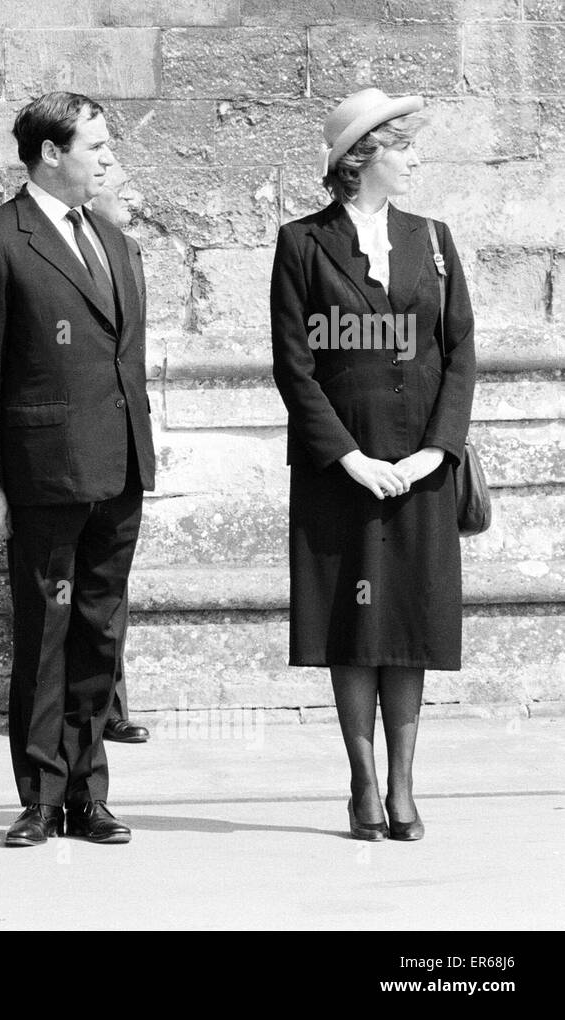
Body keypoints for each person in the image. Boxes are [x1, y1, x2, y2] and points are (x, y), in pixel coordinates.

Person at [269, 89, 476, 842]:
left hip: (421, 467)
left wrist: (435, 451)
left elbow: (459, 353)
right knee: (350, 623)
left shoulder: (435, 239)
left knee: (409, 621)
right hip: (339, 469)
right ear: (363, 158)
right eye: (405, 146)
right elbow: (295, 368)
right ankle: (361, 783)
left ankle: (404, 787)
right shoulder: (302, 245)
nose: (416, 158)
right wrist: (349, 458)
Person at [0, 92, 157, 847]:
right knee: (45, 633)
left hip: (120, 469)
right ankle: (40, 795)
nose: (107, 159)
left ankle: (87, 792)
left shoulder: (114, 240)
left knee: (100, 634)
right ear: (50, 153)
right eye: (95, 146)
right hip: (41, 476)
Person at [88, 161, 151, 747]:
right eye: (119, 185)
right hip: (73, 450)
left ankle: (111, 704)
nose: (129, 194)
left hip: (124, 440)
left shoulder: (128, 253)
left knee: (112, 590)